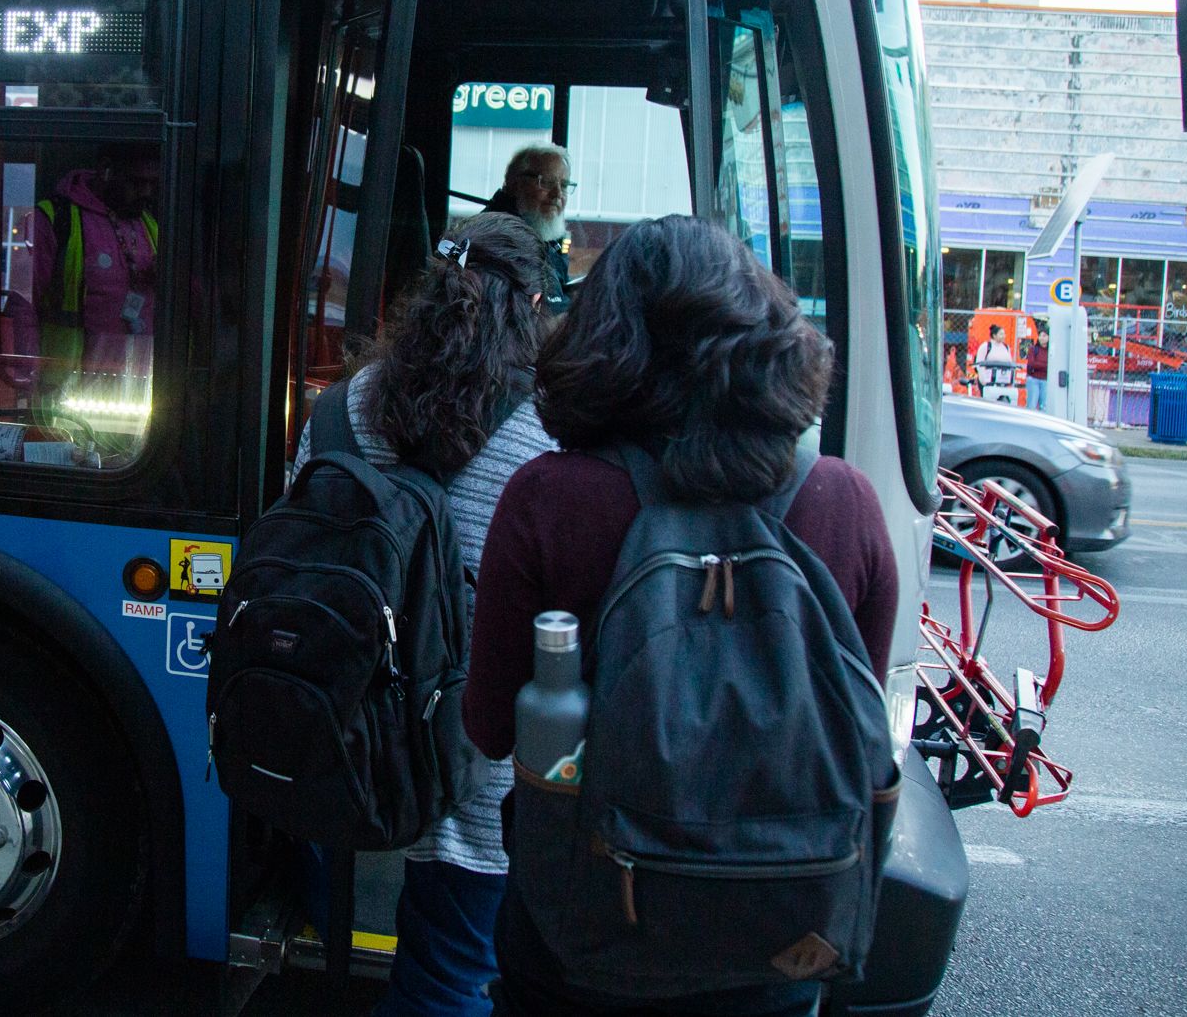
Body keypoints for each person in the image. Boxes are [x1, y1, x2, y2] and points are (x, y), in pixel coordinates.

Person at [464, 215, 898, 1017]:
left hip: (581, 942)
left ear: (601, 338)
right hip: (780, 941)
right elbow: (860, 724)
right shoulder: (844, 502)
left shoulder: (548, 500)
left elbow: (492, 726)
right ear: (768, 333)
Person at [291, 211, 558, 1017]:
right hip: (466, 758)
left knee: (331, 934)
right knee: (448, 976)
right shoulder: (547, 437)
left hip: (341, 739)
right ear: (532, 305)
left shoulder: (339, 410)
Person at [25, 143, 160, 377]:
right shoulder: (56, 220)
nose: (146, 193)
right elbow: (23, 306)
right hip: (69, 385)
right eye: (137, 182)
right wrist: (22, 376)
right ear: (106, 169)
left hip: (139, 382)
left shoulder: (150, 225)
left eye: (152, 184)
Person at [485, 145, 575, 315]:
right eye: (546, 183)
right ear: (513, 184)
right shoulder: (500, 238)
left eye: (563, 186)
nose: (557, 194)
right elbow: (546, 315)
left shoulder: (543, 232)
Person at [1025, 322, 1051, 409]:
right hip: (1033, 379)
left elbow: (1051, 366)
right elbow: (1032, 363)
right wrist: (1045, 366)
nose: (1041, 338)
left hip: (1045, 380)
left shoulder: (1050, 351)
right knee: (1032, 404)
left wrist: (1040, 365)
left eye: (1044, 336)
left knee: (1043, 406)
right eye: (1040, 336)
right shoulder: (1033, 349)